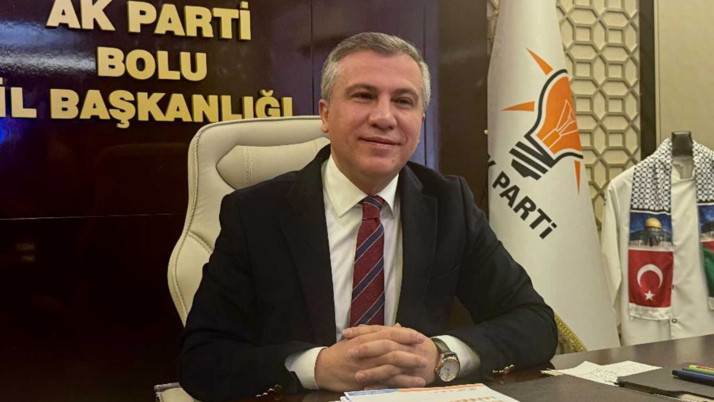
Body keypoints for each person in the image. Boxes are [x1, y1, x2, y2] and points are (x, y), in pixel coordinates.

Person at [179, 32, 557, 401]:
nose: (384, 117)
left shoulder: (449, 204)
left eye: (404, 101)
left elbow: (535, 322)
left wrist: (441, 356)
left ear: (420, 121)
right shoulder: (255, 214)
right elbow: (203, 358)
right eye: (364, 96)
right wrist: (315, 367)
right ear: (326, 114)